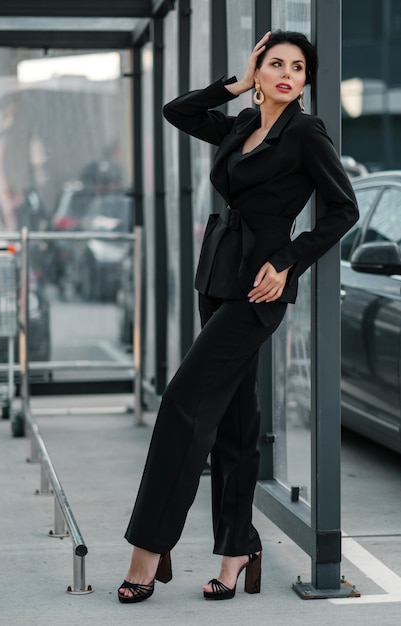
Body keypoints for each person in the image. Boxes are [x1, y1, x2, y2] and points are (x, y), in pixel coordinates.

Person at [118, 29, 359, 604]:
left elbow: (343, 208)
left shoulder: (307, 133)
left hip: (258, 289)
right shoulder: (242, 125)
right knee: (234, 419)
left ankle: (147, 551)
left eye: (297, 68)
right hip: (217, 274)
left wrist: (289, 262)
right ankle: (235, 549)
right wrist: (238, 82)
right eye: (275, 64)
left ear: (306, 81)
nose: (286, 74)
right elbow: (178, 110)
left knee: (181, 401)